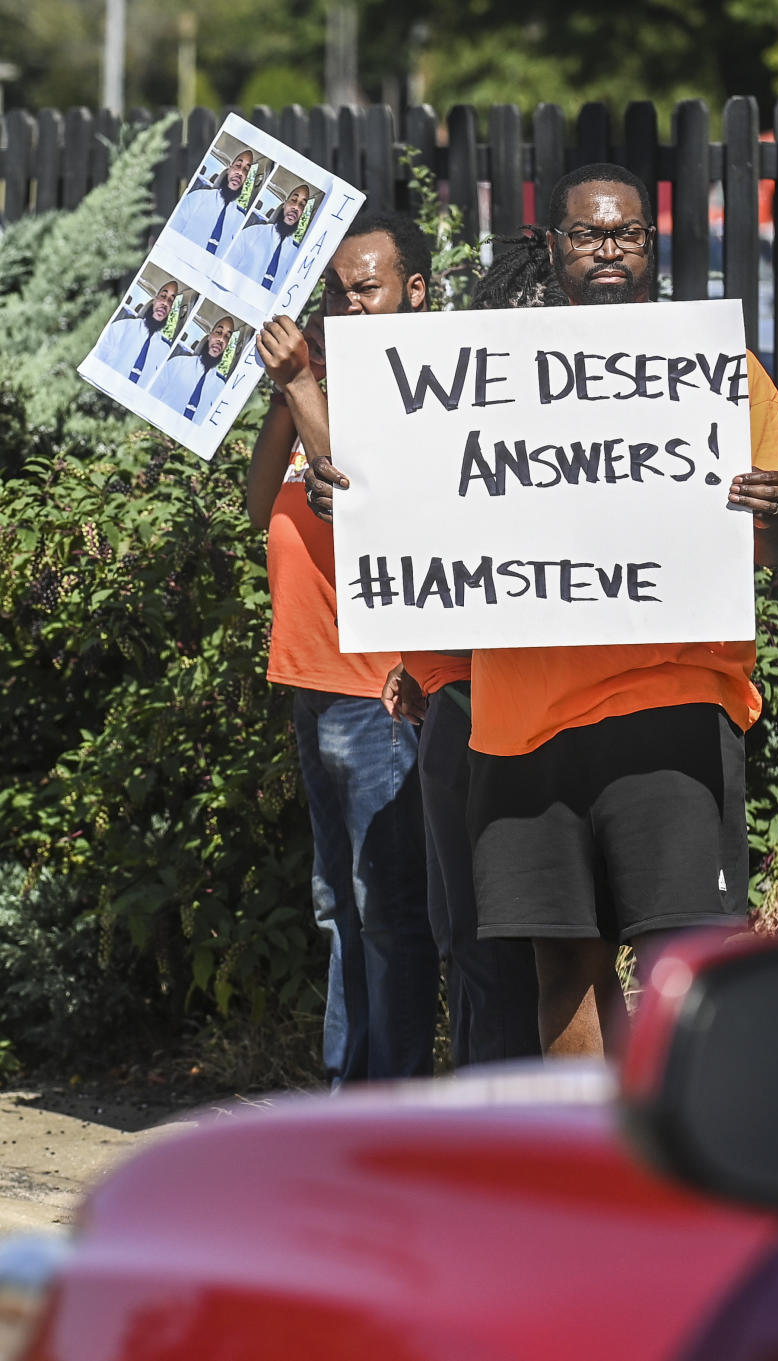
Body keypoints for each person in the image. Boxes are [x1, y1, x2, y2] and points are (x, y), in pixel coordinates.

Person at [459, 164, 778, 1060]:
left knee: (682, 967)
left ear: (651, 246)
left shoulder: (718, 371)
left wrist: (775, 516)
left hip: (671, 706)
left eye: (626, 234)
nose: (607, 249)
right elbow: (426, 520)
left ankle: (689, 1178)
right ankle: (596, 1180)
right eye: (587, 234)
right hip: (522, 722)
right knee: (562, 970)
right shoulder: (485, 374)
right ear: (552, 245)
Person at [249, 211, 439, 1084]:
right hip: (311, 678)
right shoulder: (315, 384)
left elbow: (368, 502)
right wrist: (282, 396)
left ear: (416, 293)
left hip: (379, 690)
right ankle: (348, 1093)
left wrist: (300, 389)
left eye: (369, 288)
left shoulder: (421, 387)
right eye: (339, 290)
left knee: (387, 910)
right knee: (338, 908)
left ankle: (387, 1104)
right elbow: (263, 508)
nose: (350, 304)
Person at [380, 657, 541, 1067]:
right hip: (449, 696)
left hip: (491, 696)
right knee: (459, 937)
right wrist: (416, 661)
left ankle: (508, 1118)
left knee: (494, 944)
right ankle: (481, 1106)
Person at [168, 148, 253, 256]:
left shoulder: (240, 220)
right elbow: (171, 232)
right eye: (238, 165)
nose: (240, 172)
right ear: (229, 169)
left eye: (246, 170)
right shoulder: (198, 197)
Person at [150, 316, 233, 423]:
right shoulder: (178, 363)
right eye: (218, 332)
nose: (221, 339)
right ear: (209, 336)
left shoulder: (220, 388)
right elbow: (152, 396)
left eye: (227, 337)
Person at [228, 184, 310, 292]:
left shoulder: (296, 255)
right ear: (284, 204)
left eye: (302, 205)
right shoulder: (252, 233)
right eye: (294, 200)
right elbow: (227, 268)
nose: (296, 207)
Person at [96, 280, 178, 385]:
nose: (166, 303)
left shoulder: (164, 351)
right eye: (163, 296)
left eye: (171, 300)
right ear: (154, 300)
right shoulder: (121, 327)